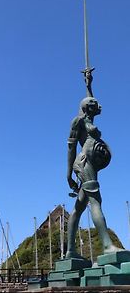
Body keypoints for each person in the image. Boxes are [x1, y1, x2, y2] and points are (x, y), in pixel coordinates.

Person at [66, 96, 122, 259]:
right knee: (96, 201)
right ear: (85, 107)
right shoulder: (78, 121)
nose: (98, 105)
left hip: (91, 165)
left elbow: (88, 99)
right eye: (94, 104)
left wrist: (88, 84)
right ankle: (107, 245)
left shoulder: (88, 119)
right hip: (83, 164)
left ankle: (70, 251)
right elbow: (71, 148)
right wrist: (68, 174)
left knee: (79, 207)